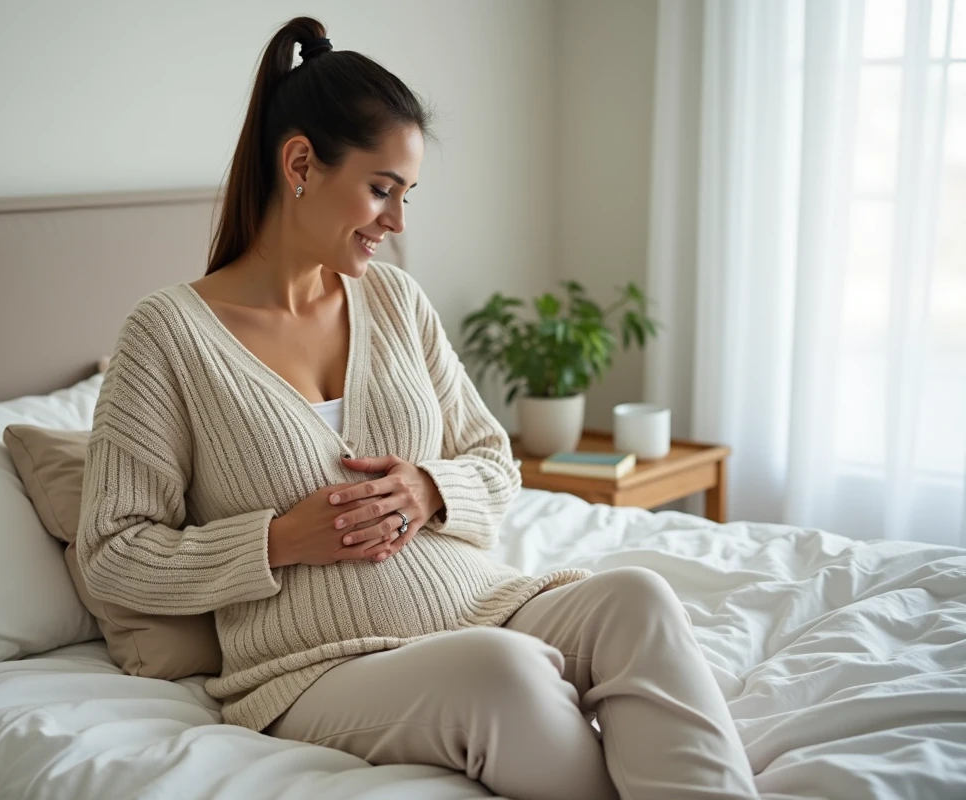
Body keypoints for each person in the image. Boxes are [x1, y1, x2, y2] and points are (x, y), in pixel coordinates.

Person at [76, 16, 760, 800]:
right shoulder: (166, 335)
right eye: (381, 190)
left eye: (406, 195)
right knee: (503, 673)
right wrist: (278, 540)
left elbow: (494, 462)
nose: (398, 223)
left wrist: (431, 489)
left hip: (482, 605)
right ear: (300, 163)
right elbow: (113, 552)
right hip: (321, 668)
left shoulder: (395, 300)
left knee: (639, 597)